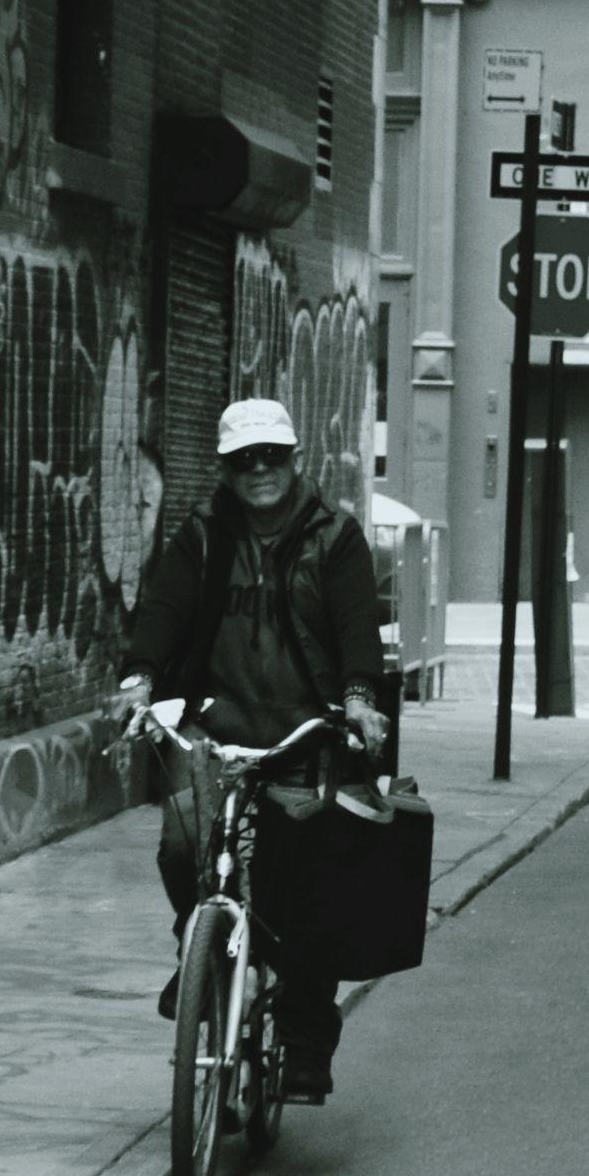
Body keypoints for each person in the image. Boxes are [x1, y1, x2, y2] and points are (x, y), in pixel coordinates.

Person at [109, 398, 387, 1103]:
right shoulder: (203, 538)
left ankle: (304, 1042)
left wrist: (357, 698)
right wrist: (140, 679)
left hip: (305, 731)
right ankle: (198, 952)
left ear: (295, 459)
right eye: (244, 459)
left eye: (272, 455)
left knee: (308, 884)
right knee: (182, 847)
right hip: (215, 730)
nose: (260, 469)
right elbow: (164, 609)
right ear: (226, 471)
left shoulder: (335, 537)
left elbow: (358, 622)